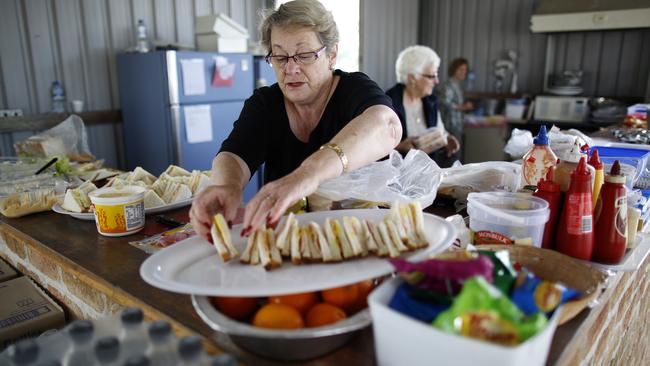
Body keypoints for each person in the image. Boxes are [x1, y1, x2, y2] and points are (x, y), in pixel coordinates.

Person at [190, 0, 402, 241]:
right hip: (288, 243)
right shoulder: (265, 104)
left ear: (331, 55)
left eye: (304, 55)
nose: (290, 69)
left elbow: (388, 126)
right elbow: (235, 155)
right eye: (280, 57)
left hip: (361, 237)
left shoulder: (353, 89)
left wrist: (307, 175)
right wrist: (226, 186)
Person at [385, 46, 460, 168]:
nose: (437, 81)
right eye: (432, 76)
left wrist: (446, 139)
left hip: (427, 173)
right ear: (412, 78)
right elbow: (374, 147)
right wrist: (399, 147)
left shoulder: (431, 101)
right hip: (398, 177)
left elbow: (439, 131)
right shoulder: (388, 104)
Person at [435, 57, 474, 164]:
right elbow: (445, 102)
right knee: (452, 154)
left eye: (465, 70)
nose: (464, 72)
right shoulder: (448, 85)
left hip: (457, 124)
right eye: (461, 69)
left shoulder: (456, 85)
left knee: (456, 154)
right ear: (454, 69)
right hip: (450, 125)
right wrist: (463, 107)